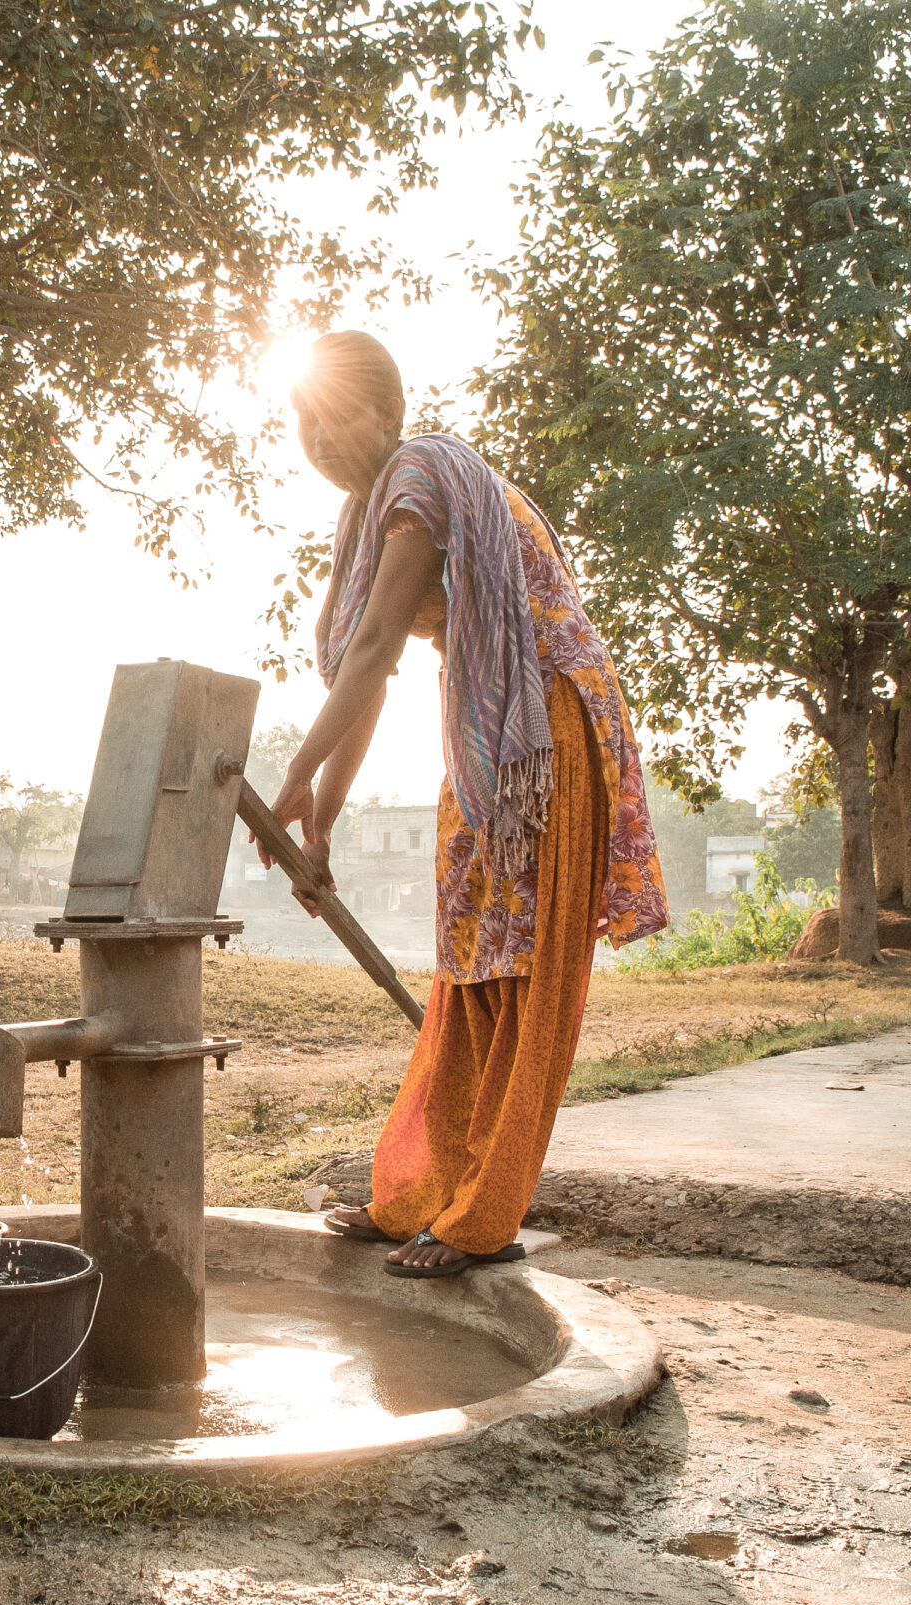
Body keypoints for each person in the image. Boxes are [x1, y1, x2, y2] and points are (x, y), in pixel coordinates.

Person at [270, 332, 668, 1277]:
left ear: (387, 414)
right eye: (303, 422)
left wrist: (294, 773)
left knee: (526, 975)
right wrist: (321, 812)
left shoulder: (417, 478)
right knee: (470, 959)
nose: (320, 437)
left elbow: (369, 653)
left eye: (336, 417)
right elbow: (368, 673)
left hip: (546, 733)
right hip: (489, 739)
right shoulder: (369, 516)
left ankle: (483, 1219)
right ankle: (417, 1193)